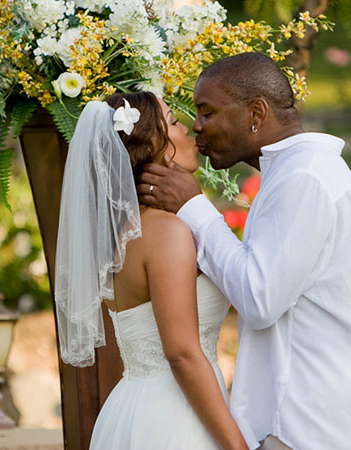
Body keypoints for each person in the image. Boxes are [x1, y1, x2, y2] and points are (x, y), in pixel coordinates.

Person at [139, 52, 351, 449]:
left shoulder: (305, 178)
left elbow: (259, 298)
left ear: (256, 114)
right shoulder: (295, 172)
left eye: (206, 112)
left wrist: (194, 207)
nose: (197, 126)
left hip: (319, 428)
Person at [54, 92, 246, 449]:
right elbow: (182, 354)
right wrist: (238, 447)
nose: (188, 128)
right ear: (153, 145)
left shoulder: (127, 232)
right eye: (173, 122)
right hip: (174, 419)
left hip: (131, 409)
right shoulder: (165, 232)